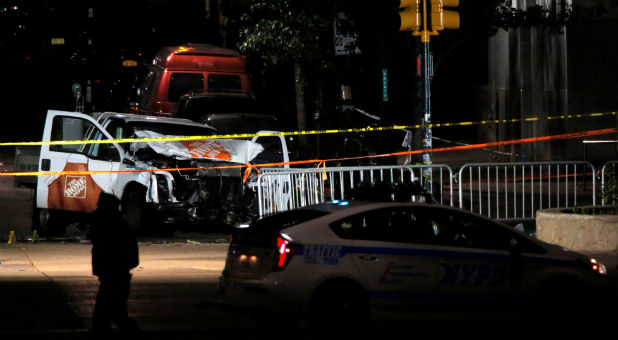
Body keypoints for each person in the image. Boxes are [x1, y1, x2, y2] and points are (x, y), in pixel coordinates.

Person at [89, 192, 140, 335]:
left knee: (106, 315)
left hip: (112, 276)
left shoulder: (110, 226)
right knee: (116, 315)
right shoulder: (118, 226)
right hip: (116, 275)